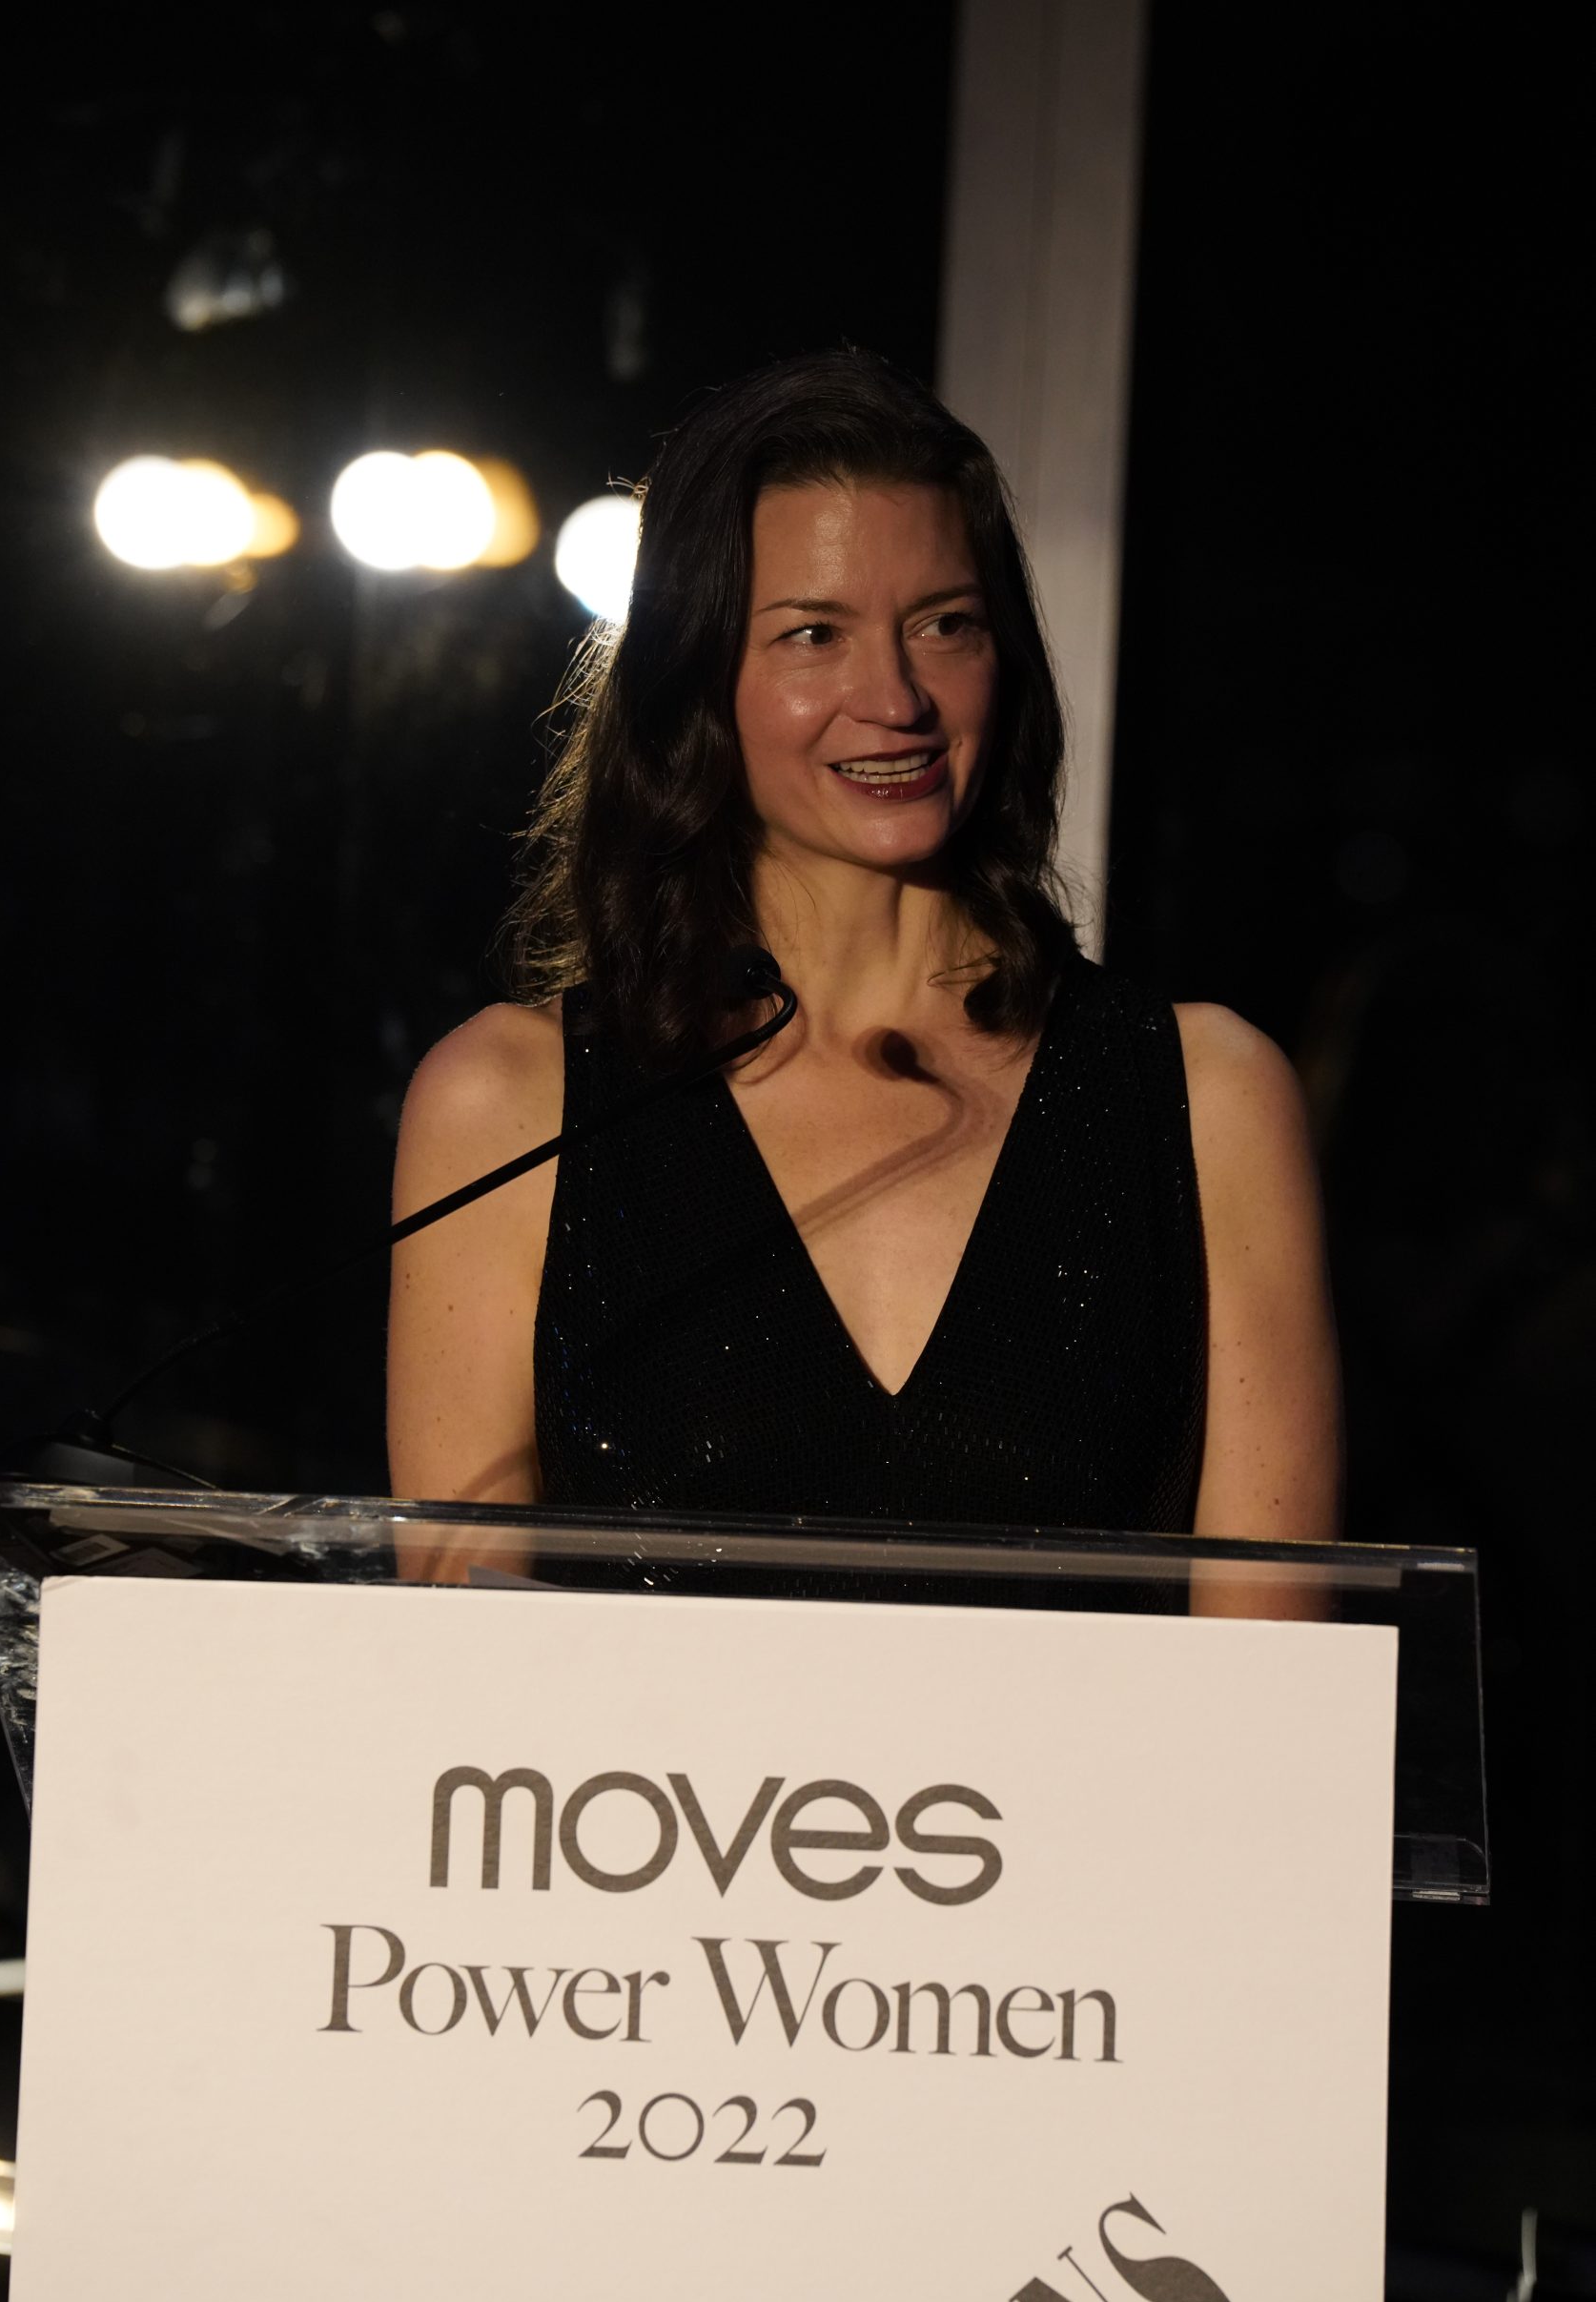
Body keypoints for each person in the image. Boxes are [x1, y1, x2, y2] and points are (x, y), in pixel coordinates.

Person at [386, 351, 1340, 1572]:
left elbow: (1270, 1671)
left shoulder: (1205, 1095)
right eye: (812, 634)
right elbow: (461, 1662)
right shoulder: (508, 1105)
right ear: (695, 681)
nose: (894, 697)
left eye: (945, 625)